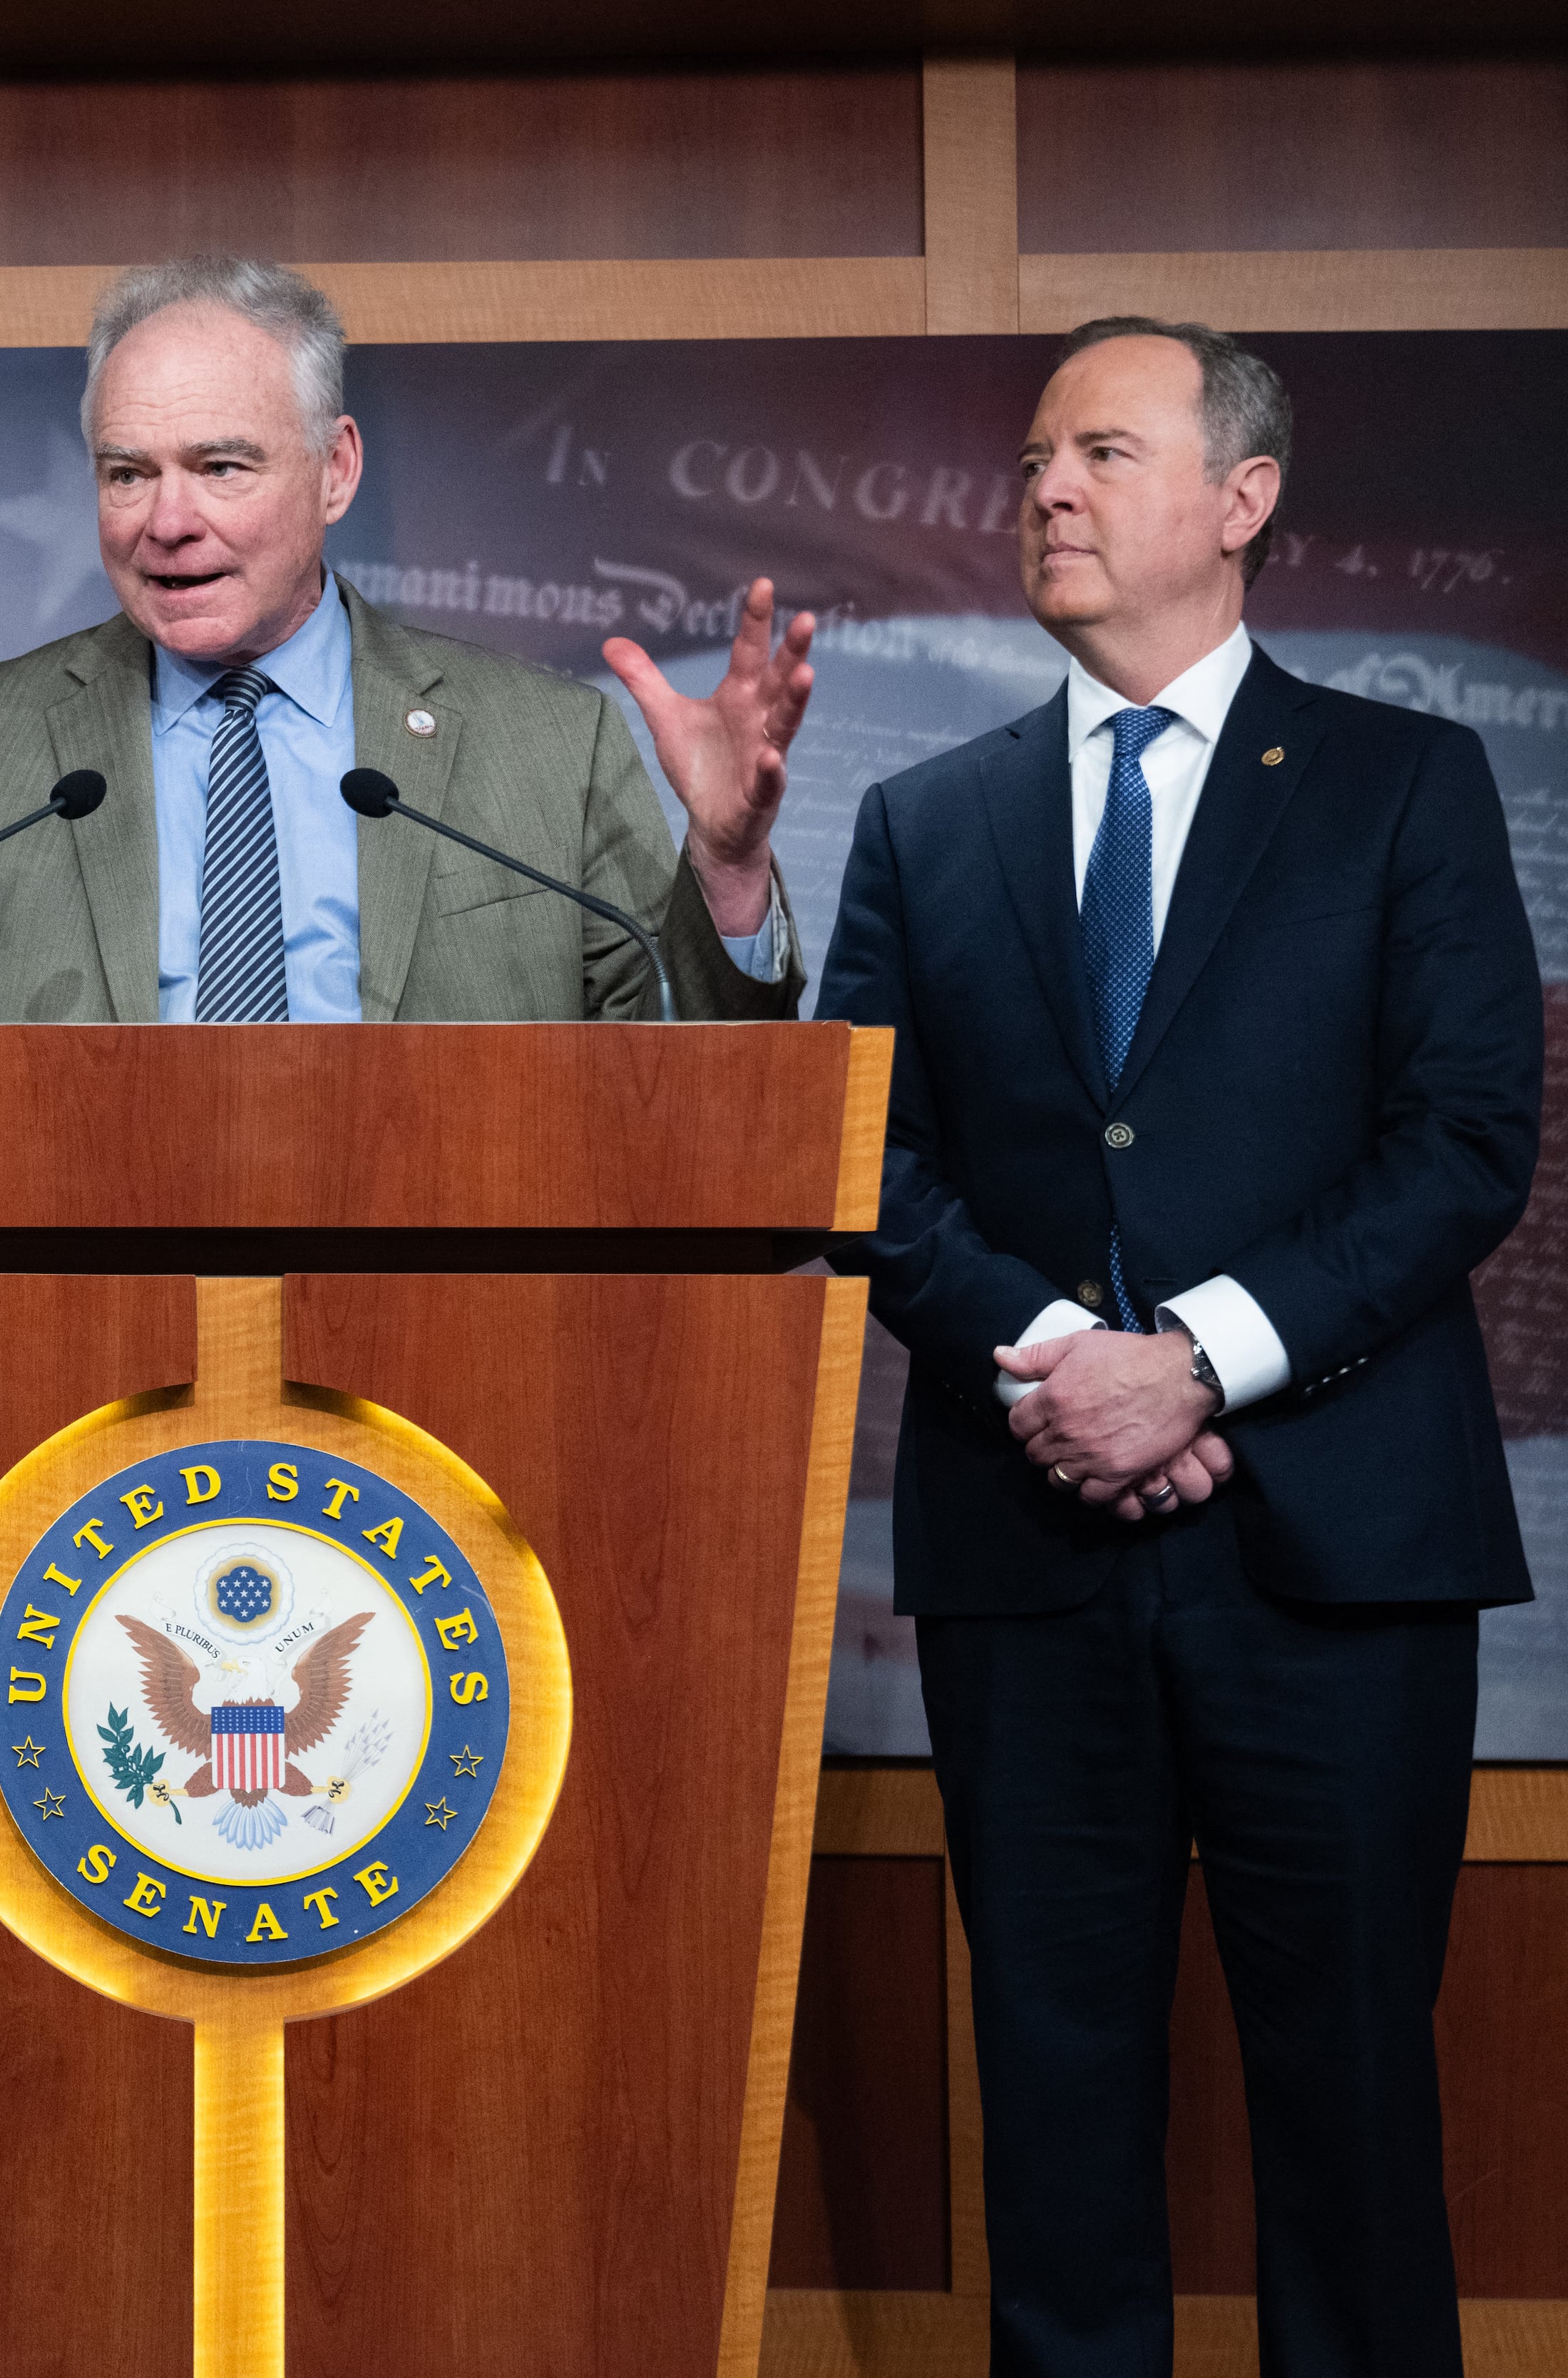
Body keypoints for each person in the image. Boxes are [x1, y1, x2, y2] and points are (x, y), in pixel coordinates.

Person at [819, 317, 1539, 2378]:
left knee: (1351, 2116)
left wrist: (1200, 1358)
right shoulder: (930, 819)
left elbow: (1466, 1137)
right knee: (1053, 2116)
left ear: (1240, 502)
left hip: (1335, 1560)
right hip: (1031, 1560)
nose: (1045, 484)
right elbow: (868, 1146)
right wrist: (1065, 1354)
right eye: (1034, 454)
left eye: (1102, 449)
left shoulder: (1407, 783)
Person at [0, 252, 816, 1024]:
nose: (168, 520)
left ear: (335, 469)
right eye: (127, 473)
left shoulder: (547, 746)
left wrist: (725, 872)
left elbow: (684, 1095)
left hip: (443, 1331)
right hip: (75, 1335)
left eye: (221, 466)